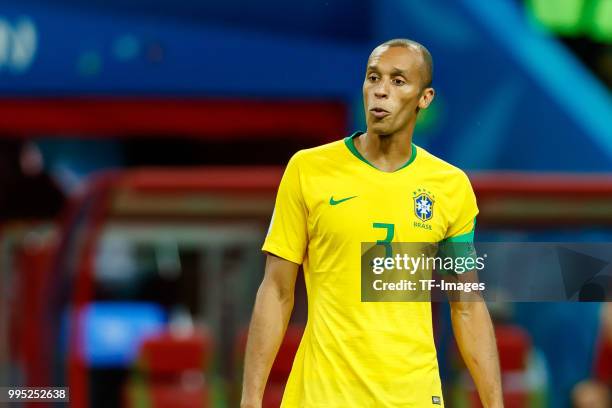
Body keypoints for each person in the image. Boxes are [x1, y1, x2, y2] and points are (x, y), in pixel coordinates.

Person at [241, 39, 503, 407]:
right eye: (373, 77)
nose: (380, 90)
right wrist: (250, 399)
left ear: (424, 98)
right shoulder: (308, 169)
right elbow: (277, 290)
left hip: (412, 395)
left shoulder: (451, 187)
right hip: (322, 395)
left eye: (398, 81)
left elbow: (467, 304)